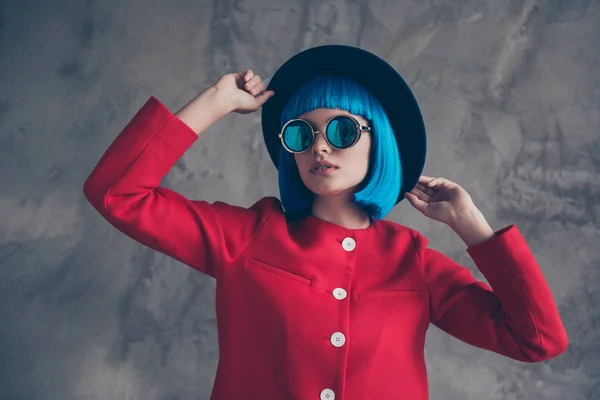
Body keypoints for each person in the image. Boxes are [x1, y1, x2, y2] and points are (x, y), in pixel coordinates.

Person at [83, 45, 568, 400]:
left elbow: (538, 340)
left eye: (341, 130)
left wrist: (472, 227)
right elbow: (115, 193)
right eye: (301, 133)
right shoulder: (247, 236)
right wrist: (216, 101)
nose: (320, 146)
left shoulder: (413, 261)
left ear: (379, 142)